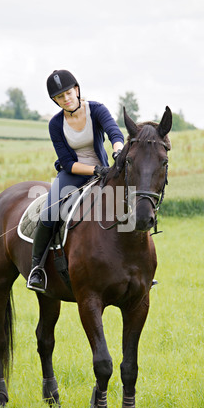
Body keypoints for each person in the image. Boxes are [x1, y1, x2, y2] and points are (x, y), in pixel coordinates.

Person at [27, 69, 124, 292]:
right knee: (50, 212)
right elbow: (68, 163)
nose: (66, 99)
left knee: (126, 206)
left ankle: (136, 265)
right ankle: (37, 269)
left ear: (77, 90)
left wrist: (117, 151)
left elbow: (115, 134)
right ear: (55, 100)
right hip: (73, 173)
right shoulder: (55, 124)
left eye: (69, 93)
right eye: (60, 97)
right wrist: (94, 170)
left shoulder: (97, 109)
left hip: (103, 170)